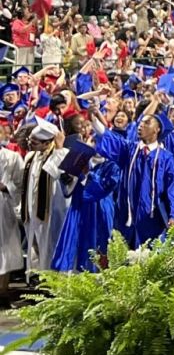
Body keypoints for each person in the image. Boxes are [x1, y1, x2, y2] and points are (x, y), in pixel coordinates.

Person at [51, 113, 121, 272]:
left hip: (100, 210)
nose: (96, 146)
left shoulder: (113, 167)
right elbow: (68, 185)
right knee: (74, 243)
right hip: (78, 207)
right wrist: (69, 177)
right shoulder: (82, 159)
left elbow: (103, 188)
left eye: (101, 143)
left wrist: (85, 175)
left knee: (97, 246)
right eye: (94, 142)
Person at [118, 113, 174, 247]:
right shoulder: (130, 150)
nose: (140, 125)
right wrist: (95, 118)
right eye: (140, 122)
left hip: (153, 217)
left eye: (146, 123)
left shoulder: (167, 158)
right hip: (128, 214)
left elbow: (173, 189)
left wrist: (173, 214)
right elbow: (112, 141)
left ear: (157, 129)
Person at [21, 117, 68, 274]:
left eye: (34, 142)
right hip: (32, 210)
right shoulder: (30, 157)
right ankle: (38, 279)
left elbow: (57, 173)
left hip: (52, 211)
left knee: (51, 245)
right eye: (30, 140)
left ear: (47, 143)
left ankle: (52, 283)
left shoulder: (62, 155)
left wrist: (60, 149)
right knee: (34, 244)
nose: (30, 144)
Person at [0, 136, 24, 300]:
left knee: (6, 248)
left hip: (4, 205)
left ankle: (3, 289)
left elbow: (21, 183)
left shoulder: (12, 157)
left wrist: (6, 186)